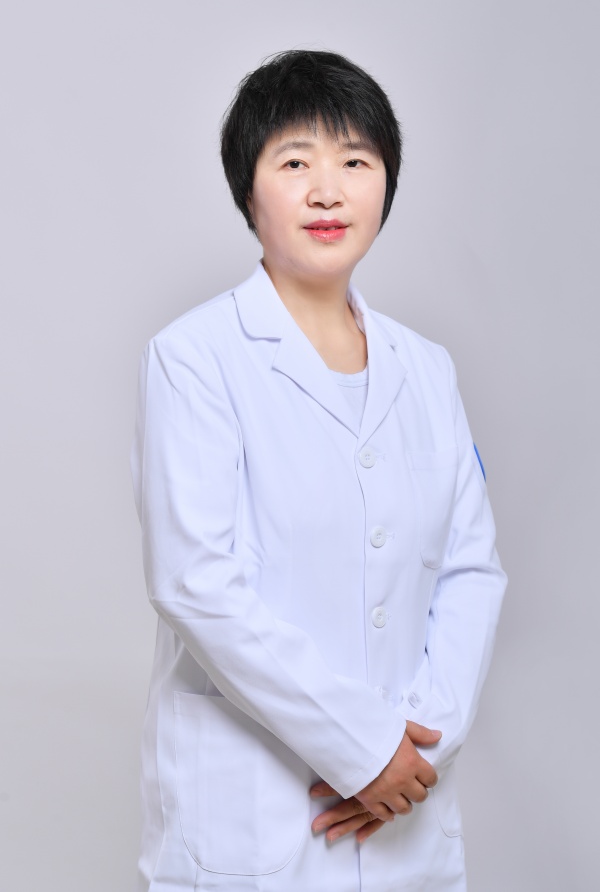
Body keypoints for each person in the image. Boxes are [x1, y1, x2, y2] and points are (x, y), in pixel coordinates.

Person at [131, 50, 506, 892]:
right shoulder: (193, 358)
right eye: (295, 163)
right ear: (249, 189)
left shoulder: (427, 369)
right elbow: (196, 583)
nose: (327, 191)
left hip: (406, 810)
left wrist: (417, 747)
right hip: (257, 816)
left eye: (356, 163)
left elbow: (472, 571)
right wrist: (362, 749)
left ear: (386, 185)